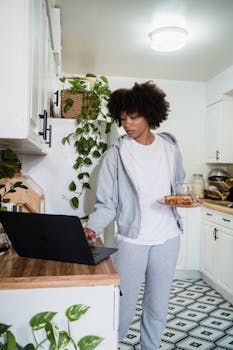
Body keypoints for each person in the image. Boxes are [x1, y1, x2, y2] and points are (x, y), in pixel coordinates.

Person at [84, 81, 185, 349]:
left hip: (168, 237)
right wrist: (92, 227)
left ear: (150, 114)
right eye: (122, 118)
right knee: (123, 304)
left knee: (158, 304)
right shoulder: (115, 156)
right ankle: (111, 343)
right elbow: (107, 203)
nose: (126, 123)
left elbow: (179, 186)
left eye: (133, 116)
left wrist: (188, 199)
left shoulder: (170, 148)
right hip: (132, 240)